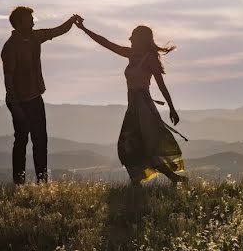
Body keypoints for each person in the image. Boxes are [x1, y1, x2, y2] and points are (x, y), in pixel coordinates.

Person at [75, 19, 186, 186]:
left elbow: (162, 86)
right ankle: (165, 179)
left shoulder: (150, 60)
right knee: (130, 145)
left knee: (136, 145)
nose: (129, 39)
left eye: (133, 36)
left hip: (143, 108)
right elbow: (106, 43)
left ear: (141, 39)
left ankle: (164, 180)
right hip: (133, 107)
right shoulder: (131, 54)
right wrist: (83, 28)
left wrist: (172, 108)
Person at [1, 6, 82, 184]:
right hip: (20, 101)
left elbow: (57, 31)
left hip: (35, 97)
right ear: (20, 22)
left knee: (40, 140)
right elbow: (8, 79)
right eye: (30, 19)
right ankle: (20, 182)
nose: (34, 21)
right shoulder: (10, 47)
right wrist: (15, 106)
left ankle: (42, 181)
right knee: (22, 141)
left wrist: (72, 21)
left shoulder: (34, 37)